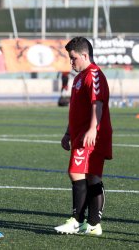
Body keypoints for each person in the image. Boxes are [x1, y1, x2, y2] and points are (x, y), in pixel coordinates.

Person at [54, 37, 112, 236]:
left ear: (85, 55)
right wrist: (68, 133)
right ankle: (93, 224)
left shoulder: (94, 74)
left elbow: (98, 103)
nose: (71, 63)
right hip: (81, 134)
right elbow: (77, 109)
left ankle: (78, 221)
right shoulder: (79, 77)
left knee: (79, 173)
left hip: (93, 135)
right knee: (90, 176)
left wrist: (93, 129)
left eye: (74, 58)